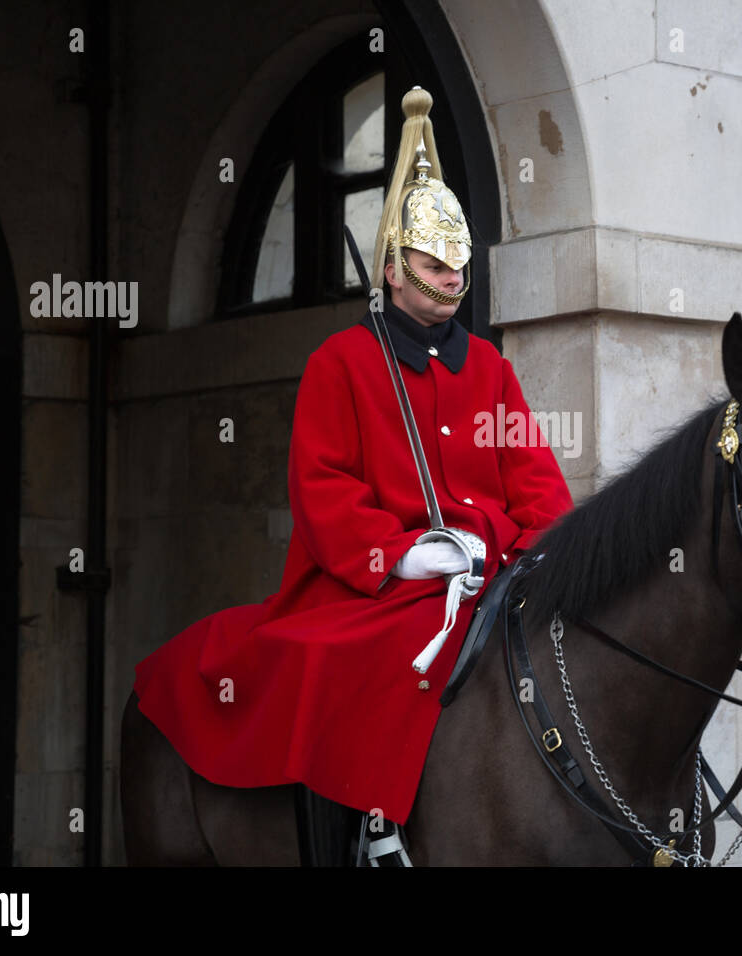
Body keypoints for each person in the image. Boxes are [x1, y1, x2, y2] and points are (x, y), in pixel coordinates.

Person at [132, 86, 574, 862]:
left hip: (484, 575)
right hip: (370, 581)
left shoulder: (492, 371)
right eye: (433, 262)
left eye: (456, 264)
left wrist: (507, 548)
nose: (448, 276)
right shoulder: (340, 363)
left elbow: (539, 487)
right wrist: (404, 553)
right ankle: (368, 833)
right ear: (395, 267)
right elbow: (324, 490)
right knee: (349, 657)